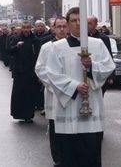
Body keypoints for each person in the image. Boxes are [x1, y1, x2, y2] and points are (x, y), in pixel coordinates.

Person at [45, 7, 115, 167]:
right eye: (73, 21)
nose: (77, 24)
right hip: (68, 108)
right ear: (68, 25)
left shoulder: (97, 44)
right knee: (69, 158)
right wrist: (74, 86)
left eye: (81, 20)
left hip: (92, 108)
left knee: (91, 155)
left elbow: (108, 67)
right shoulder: (57, 47)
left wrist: (92, 67)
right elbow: (52, 74)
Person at [34, 16, 68, 167]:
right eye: (58, 26)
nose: (61, 29)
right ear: (52, 28)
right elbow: (40, 68)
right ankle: (58, 158)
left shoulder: (75, 45)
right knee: (55, 126)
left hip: (72, 93)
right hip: (53, 93)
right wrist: (55, 84)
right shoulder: (47, 47)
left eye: (64, 26)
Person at [7, 20, 41, 123]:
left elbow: (38, 54)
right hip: (19, 71)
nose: (26, 30)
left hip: (31, 71)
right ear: (21, 28)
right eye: (24, 28)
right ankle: (18, 113)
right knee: (19, 94)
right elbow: (9, 51)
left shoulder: (35, 40)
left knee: (29, 94)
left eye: (27, 28)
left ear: (31, 28)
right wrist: (16, 46)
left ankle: (28, 115)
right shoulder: (16, 38)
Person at [88, 15, 115, 96]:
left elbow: (109, 56)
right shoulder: (82, 37)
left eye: (90, 23)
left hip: (99, 69)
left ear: (96, 25)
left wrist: (111, 75)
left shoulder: (103, 38)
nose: (87, 25)